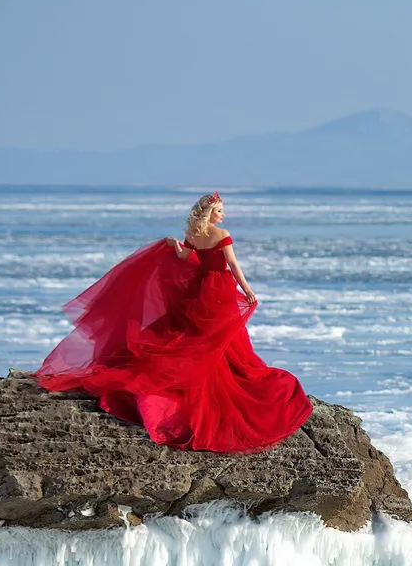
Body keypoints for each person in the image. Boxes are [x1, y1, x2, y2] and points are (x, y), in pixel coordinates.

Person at [36, 192, 312, 452]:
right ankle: (217, 380)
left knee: (201, 337)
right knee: (220, 339)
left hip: (199, 286)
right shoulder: (223, 235)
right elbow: (232, 266)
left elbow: (184, 257)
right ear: (210, 212)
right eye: (219, 210)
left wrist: (173, 245)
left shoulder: (194, 234)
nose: (223, 215)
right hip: (219, 289)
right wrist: (247, 290)